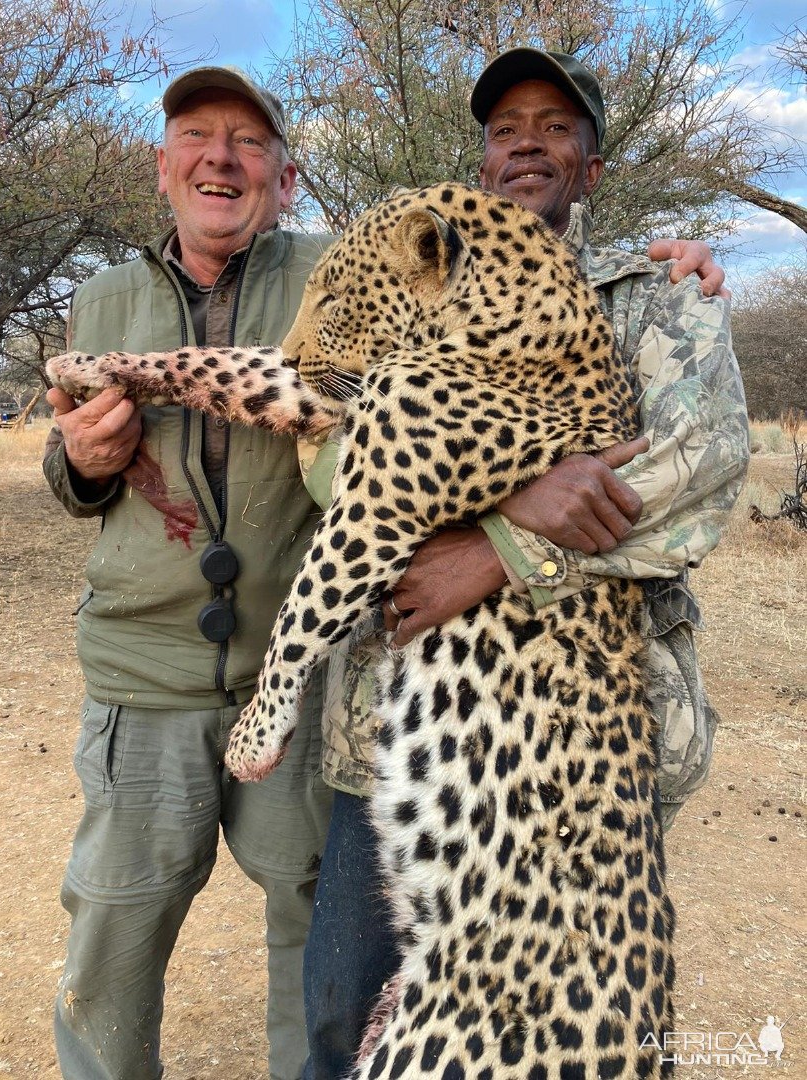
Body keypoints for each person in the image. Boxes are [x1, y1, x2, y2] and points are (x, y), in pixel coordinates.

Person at [300, 48, 749, 1078]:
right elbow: (328, 441)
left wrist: (498, 551)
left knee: (541, 1034)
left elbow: (700, 468)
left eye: (555, 127)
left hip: (565, 756)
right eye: (507, 129)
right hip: (392, 726)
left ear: (591, 167)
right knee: (338, 1006)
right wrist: (510, 490)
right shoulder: (406, 277)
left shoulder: (658, 297)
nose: (528, 145)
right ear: (483, 158)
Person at [44, 67, 335, 1080]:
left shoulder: (337, 280)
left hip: (296, 683)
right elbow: (67, 467)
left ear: (286, 178)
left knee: (319, 921)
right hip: (143, 677)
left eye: (250, 142)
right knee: (114, 936)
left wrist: (654, 267)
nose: (223, 156)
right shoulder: (103, 301)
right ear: (161, 168)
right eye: (198, 136)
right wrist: (80, 463)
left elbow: (485, 283)